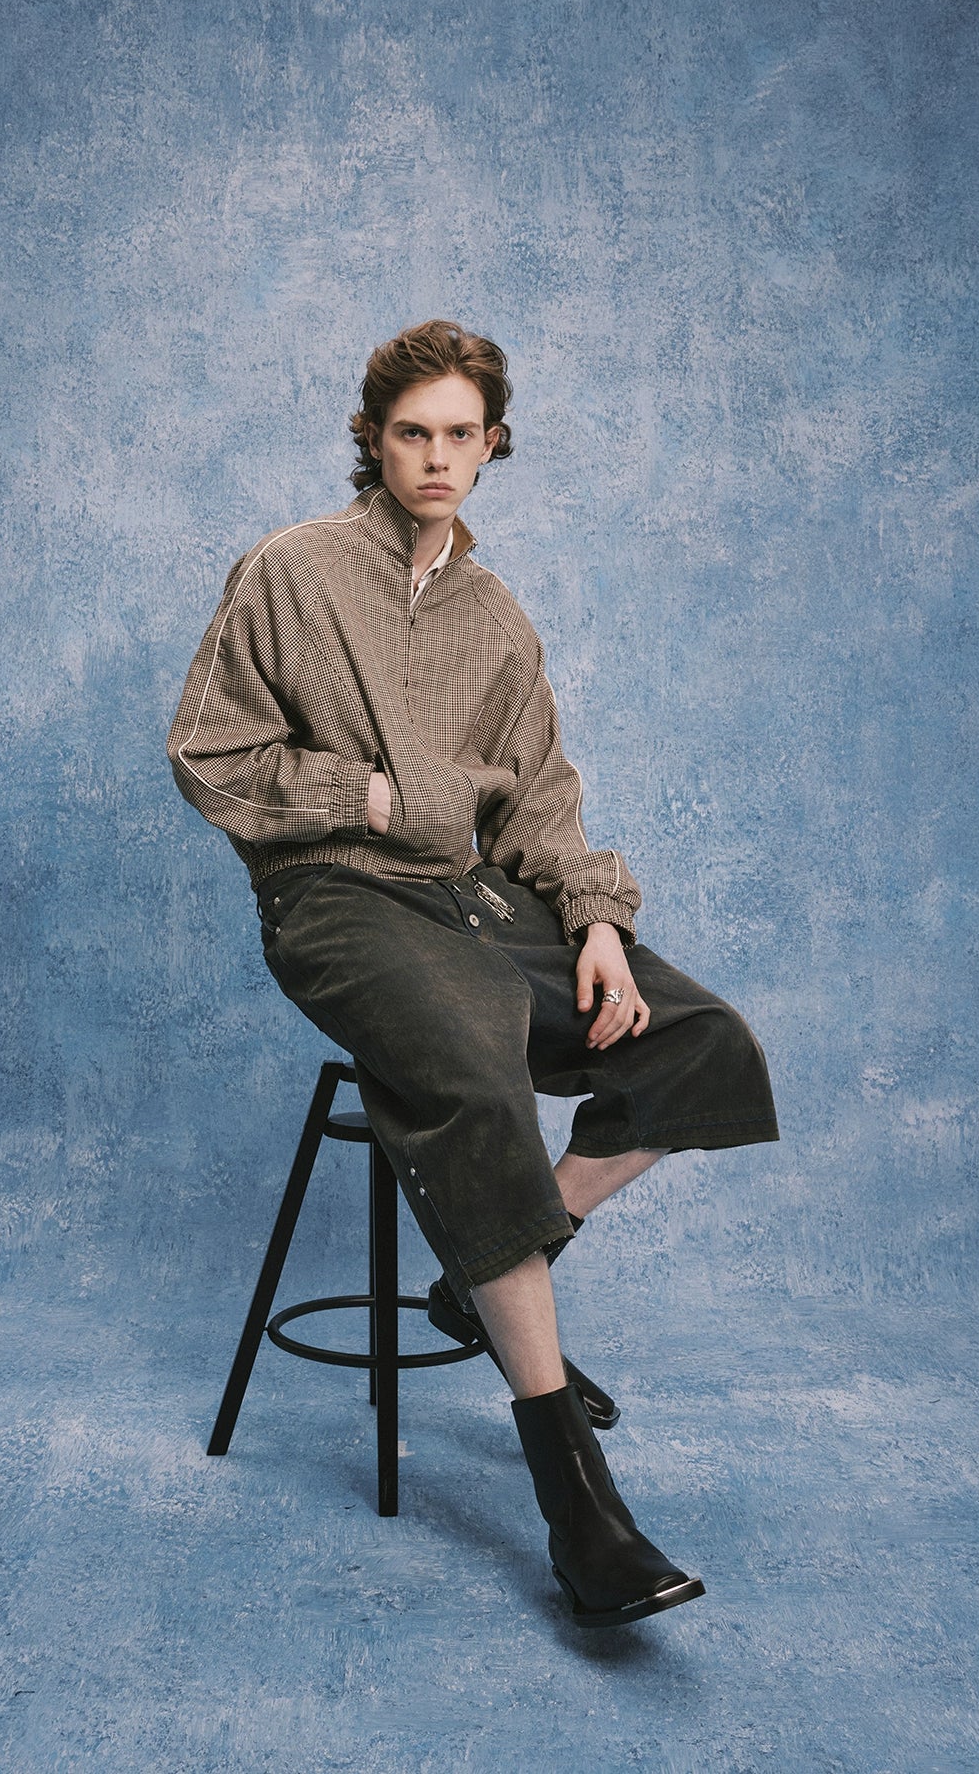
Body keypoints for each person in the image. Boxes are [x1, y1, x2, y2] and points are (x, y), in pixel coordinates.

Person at [168, 319, 779, 1628]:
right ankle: (575, 1500)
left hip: (479, 900)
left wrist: (595, 921)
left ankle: (483, 1273)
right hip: (335, 900)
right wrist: (368, 797)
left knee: (701, 1039)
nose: (436, 457)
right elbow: (209, 753)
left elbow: (538, 796)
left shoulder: (495, 617)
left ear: (493, 443)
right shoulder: (291, 570)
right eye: (411, 433)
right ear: (371, 439)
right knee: (473, 1061)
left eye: (460, 434)